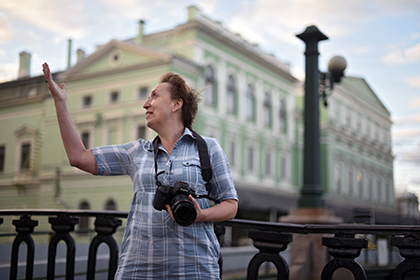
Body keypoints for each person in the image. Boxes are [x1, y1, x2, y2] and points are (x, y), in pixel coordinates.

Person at [42, 63, 238, 279]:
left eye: (154, 96)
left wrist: (201, 215)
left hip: (194, 267)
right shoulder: (137, 151)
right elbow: (78, 157)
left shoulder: (208, 148)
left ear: (176, 104)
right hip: (138, 268)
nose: (146, 104)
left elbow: (230, 205)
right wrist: (60, 102)